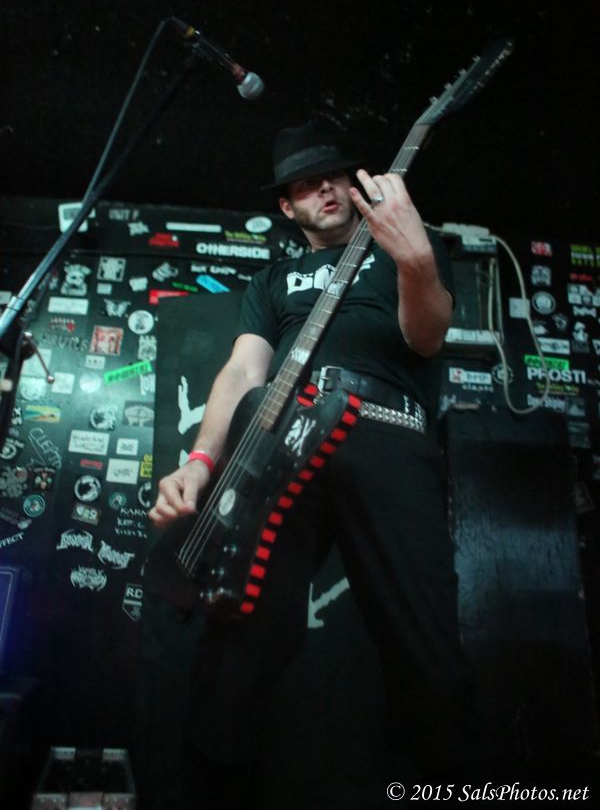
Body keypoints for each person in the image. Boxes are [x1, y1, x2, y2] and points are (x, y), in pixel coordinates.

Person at [149, 119, 488, 808]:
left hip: (386, 430)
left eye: (332, 174)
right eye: (305, 185)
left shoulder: (405, 242)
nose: (324, 189)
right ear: (287, 205)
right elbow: (242, 371)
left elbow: (426, 338)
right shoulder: (272, 279)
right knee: (236, 642)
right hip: (281, 439)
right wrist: (201, 462)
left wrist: (415, 260)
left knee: (426, 649)